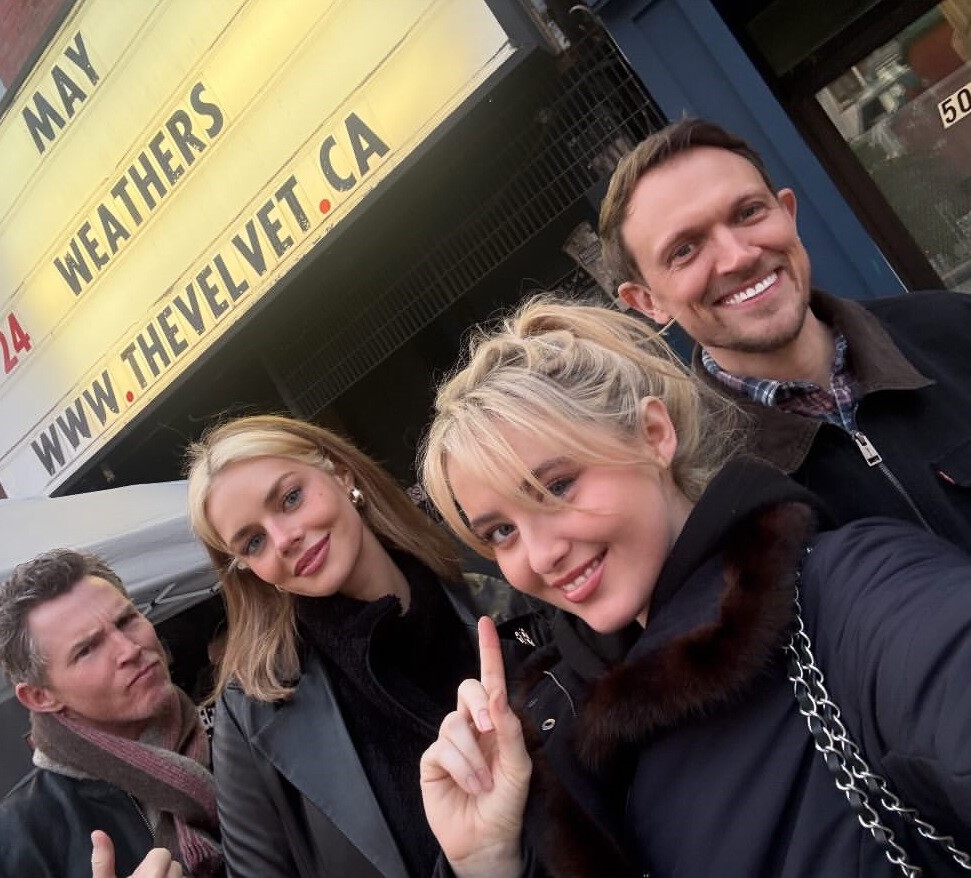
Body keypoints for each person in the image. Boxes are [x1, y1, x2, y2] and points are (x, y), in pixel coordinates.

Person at [418, 296, 971, 876]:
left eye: (557, 486)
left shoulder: (853, 596)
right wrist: (488, 861)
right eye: (501, 531)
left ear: (654, 434)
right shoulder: (544, 738)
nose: (541, 555)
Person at [184, 414, 546, 878]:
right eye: (254, 542)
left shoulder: (506, 582)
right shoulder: (252, 713)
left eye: (291, 498)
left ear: (341, 474)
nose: (284, 539)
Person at [602, 117, 971, 550]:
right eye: (685, 250)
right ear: (647, 302)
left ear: (788, 213)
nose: (738, 257)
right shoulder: (699, 491)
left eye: (748, 213)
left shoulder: (953, 327)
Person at [0, 549, 222, 878]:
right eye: (87, 649)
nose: (129, 650)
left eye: (126, 621)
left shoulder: (241, 732)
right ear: (40, 696)